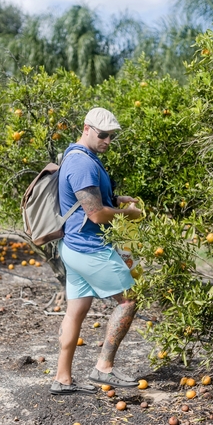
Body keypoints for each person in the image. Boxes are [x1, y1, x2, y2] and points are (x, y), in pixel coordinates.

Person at [50, 107, 143, 395]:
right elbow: (96, 214)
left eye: (111, 136)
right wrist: (130, 214)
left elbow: (89, 199)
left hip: (73, 247)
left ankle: (61, 378)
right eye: (103, 135)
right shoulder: (82, 163)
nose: (107, 141)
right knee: (128, 301)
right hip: (88, 248)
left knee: (76, 311)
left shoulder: (81, 156)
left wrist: (116, 198)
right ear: (87, 128)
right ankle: (104, 368)